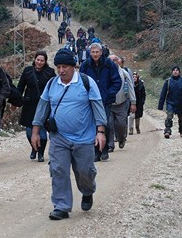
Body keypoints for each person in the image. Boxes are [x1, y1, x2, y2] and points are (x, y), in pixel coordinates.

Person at [31, 48, 107, 220]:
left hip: (84, 137)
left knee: (84, 171)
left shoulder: (87, 82)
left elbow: (98, 108)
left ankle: (87, 191)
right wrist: (35, 131)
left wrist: (100, 132)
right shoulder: (52, 84)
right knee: (58, 170)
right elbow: (42, 108)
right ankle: (61, 206)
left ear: (74, 67)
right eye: (58, 67)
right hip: (59, 138)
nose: (61, 70)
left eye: (65, 66)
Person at [79, 43, 122, 161]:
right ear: (89, 53)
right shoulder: (85, 65)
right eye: (93, 52)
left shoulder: (109, 65)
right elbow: (80, 81)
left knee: (105, 123)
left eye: (97, 52)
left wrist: (109, 93)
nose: (95, 54)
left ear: (101, 52)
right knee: (92, 125)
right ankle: (95, 151)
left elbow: (117, 81)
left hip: (105, 100)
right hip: (90, 100)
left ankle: (105, 149)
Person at [11, 50, 56, 162]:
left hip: (45, 105)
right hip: (29, 104)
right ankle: (34, 148)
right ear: (34, 60)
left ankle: (40, 153)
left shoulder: (50, 73)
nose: (39, 62)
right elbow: (20, 88)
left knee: (42, 131)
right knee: (29, 131)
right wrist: (15, 102)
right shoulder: (27, 71)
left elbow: (55, 88)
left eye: (42, 60)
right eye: (38, 60)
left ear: (45, 61)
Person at [108, 55, 136, 150]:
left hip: (122, 103)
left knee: (121, 124)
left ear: (118, 62)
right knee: (109, 124)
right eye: (110, 60)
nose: (113, 62)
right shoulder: (105, 73)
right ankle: (110, 145)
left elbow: (131, 88)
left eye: (114, 60)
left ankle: (121, 138)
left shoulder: (124, 73)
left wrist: (133, 102)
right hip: (109, 104)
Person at [157, 66, 182, 138]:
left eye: (177, 70)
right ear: (172, 72)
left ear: (179, 72)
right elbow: (163, 93)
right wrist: (160, 105)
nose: (175, 71)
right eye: (174, 70)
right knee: (169, 116)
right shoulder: (168, 81)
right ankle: (167, 131)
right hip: (170, 102)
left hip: (181, 103)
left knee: (181, 118)